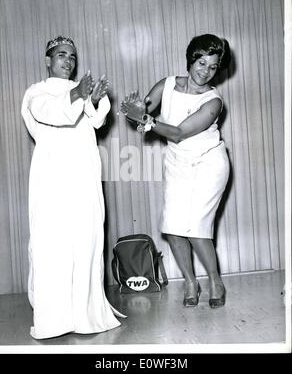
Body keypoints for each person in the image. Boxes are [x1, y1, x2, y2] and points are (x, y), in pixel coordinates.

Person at [21, 36, 125, 339]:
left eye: (73, 57)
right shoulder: (36, 92)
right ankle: (54, 319)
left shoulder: (79, 88)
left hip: (84, 176)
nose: (69, 61)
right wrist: (77, 95)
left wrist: (91, 99)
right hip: (51, 179)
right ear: (48, 60)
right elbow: (49, 113)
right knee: (52, 243)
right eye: (62, 55)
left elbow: (95, 121)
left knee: (86, 239)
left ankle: (85, 314)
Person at [120, 34, 231, 308]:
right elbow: (143, 111)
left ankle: (215, 280)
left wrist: (145, 119)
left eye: (213, 66)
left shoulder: (214, 102)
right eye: (201, 62)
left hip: (209, 163)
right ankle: (191, 282)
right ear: (191, 59)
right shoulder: (167, 84)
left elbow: (179, 132)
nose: (205, 71)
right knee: (173, 227)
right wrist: (137, 113)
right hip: (177, 162)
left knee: (196, 227)